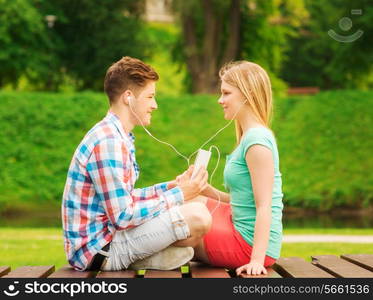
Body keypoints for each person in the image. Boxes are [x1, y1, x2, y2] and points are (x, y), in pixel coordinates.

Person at [62, 56, 211, 272]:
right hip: (98, 250)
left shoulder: (117, 136)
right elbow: (123, 217)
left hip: (110, 237)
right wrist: (178, 196)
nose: (155, 105)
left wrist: (170, 187)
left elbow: (125, 199)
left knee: (197, 204)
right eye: (150, 97)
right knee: (198, 216)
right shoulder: (109, 142)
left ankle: (144, 258)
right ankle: (140, 258)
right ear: (128, 97)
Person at [189, 61, 284, 276]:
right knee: (188, 200)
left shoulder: (257, 142)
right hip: (237, 224)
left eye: (226, 93)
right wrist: (206, 191)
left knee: (183, 219)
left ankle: (122, 250)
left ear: (247, 93)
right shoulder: (249, 137)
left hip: (249, 245)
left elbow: (264, 205)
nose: (220, 100)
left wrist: (256, 261)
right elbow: (242, 199)